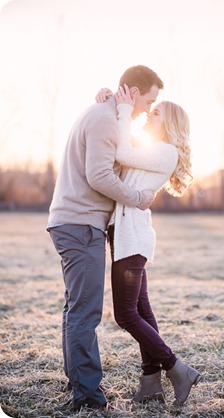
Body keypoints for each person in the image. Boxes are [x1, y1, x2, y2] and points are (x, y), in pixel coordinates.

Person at [46, 65, 164, 412]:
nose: (148, 108)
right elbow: (99, 176)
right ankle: (88, 397)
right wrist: (138, 197)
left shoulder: (108, 115)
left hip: (75, 223)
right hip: (80, 224)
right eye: (149, 100)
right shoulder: (105, 119)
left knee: (75, 310)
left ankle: (78, 384)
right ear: (132, 91)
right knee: (85, 313)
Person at [95, 85, 202, 407]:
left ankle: (177, 368)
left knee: (126, 315)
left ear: (168, 123)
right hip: (127, 234)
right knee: (141, 310)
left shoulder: (166, 150)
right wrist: (109, 104)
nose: (149, 113)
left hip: (133, 238)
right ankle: (150, 384)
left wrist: (125, 111)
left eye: (156, 112)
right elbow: (121, 155)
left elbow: (121, 152)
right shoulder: (154, 149)